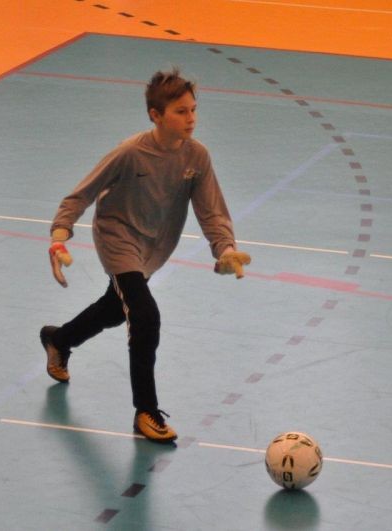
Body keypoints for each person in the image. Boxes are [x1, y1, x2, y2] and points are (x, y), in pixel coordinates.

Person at [40, 68, 251, 443]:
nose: (191, 119)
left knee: (115, 309)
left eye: (193, 110)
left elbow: (212, 212)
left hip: (154, 248)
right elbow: (79, 196)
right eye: (181, 112)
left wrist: (226, 249)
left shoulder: (197, 157)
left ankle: (59, 339)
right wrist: (59, 238)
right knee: (144, 316)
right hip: (117, 237)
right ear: (156, 115)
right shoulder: (130, 153)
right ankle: (146, 411)